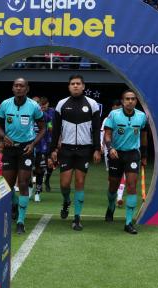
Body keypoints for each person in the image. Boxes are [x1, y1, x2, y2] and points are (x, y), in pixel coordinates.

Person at [50, 75, 102, 231]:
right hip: (66, 149)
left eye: (78, 83)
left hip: (84, 149)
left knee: (79, 183)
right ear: (69, 86)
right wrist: (53, 149)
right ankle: (66, 201)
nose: (75, 86)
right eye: (72, 84)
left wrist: (97, 149)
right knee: (64, 184)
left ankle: (77, 218)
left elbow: (96, 129)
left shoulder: (92, 104)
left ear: (83, 86)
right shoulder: (61, 104)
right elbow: (56, 130)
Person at [0, 78, 45, 234]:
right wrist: (3, 137)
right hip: (10, 149)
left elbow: (43, 129)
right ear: (12, 88)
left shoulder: (34, 106)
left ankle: (20, 222)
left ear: (27, 88)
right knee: (7, 186)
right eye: (16, 86)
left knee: (23, 183)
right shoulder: (5, 104)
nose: (18, 88)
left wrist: (33, 145)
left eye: (21, 86)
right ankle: (15, 204)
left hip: (26, 149)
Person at [103, 90, 148, 234]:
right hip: (116, 154)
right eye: (127, 99)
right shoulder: (114, 115)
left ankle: (128, 222)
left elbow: (144, 137)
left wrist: (145, 156)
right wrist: (110, 148)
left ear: (136, 101)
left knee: (131, 186)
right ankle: (111, 206)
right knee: (113, 186)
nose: (130, 101)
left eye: (133, 99)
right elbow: (107, 134)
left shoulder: (141, 116)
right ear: (122, 101)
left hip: (133, 154)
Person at [32, 97, 53, 202]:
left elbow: (50, 128)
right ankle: (29, 188)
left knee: (39, 170)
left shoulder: (46, 116)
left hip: (41, 146)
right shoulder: (27, 113)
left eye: (38, 104)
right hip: (28, 146)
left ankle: (37, 192)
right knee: (27, 170)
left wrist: (50, 127)